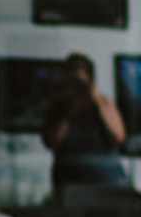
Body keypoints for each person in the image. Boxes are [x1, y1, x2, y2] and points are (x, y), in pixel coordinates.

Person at [40, 54, 131, 191]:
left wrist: (96, 100)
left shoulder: (104, 103)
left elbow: (119, 137)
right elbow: (53, 142)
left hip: (106, 180)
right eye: (71, 82)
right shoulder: (58, 108)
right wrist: (68, 111)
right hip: (69, 180)